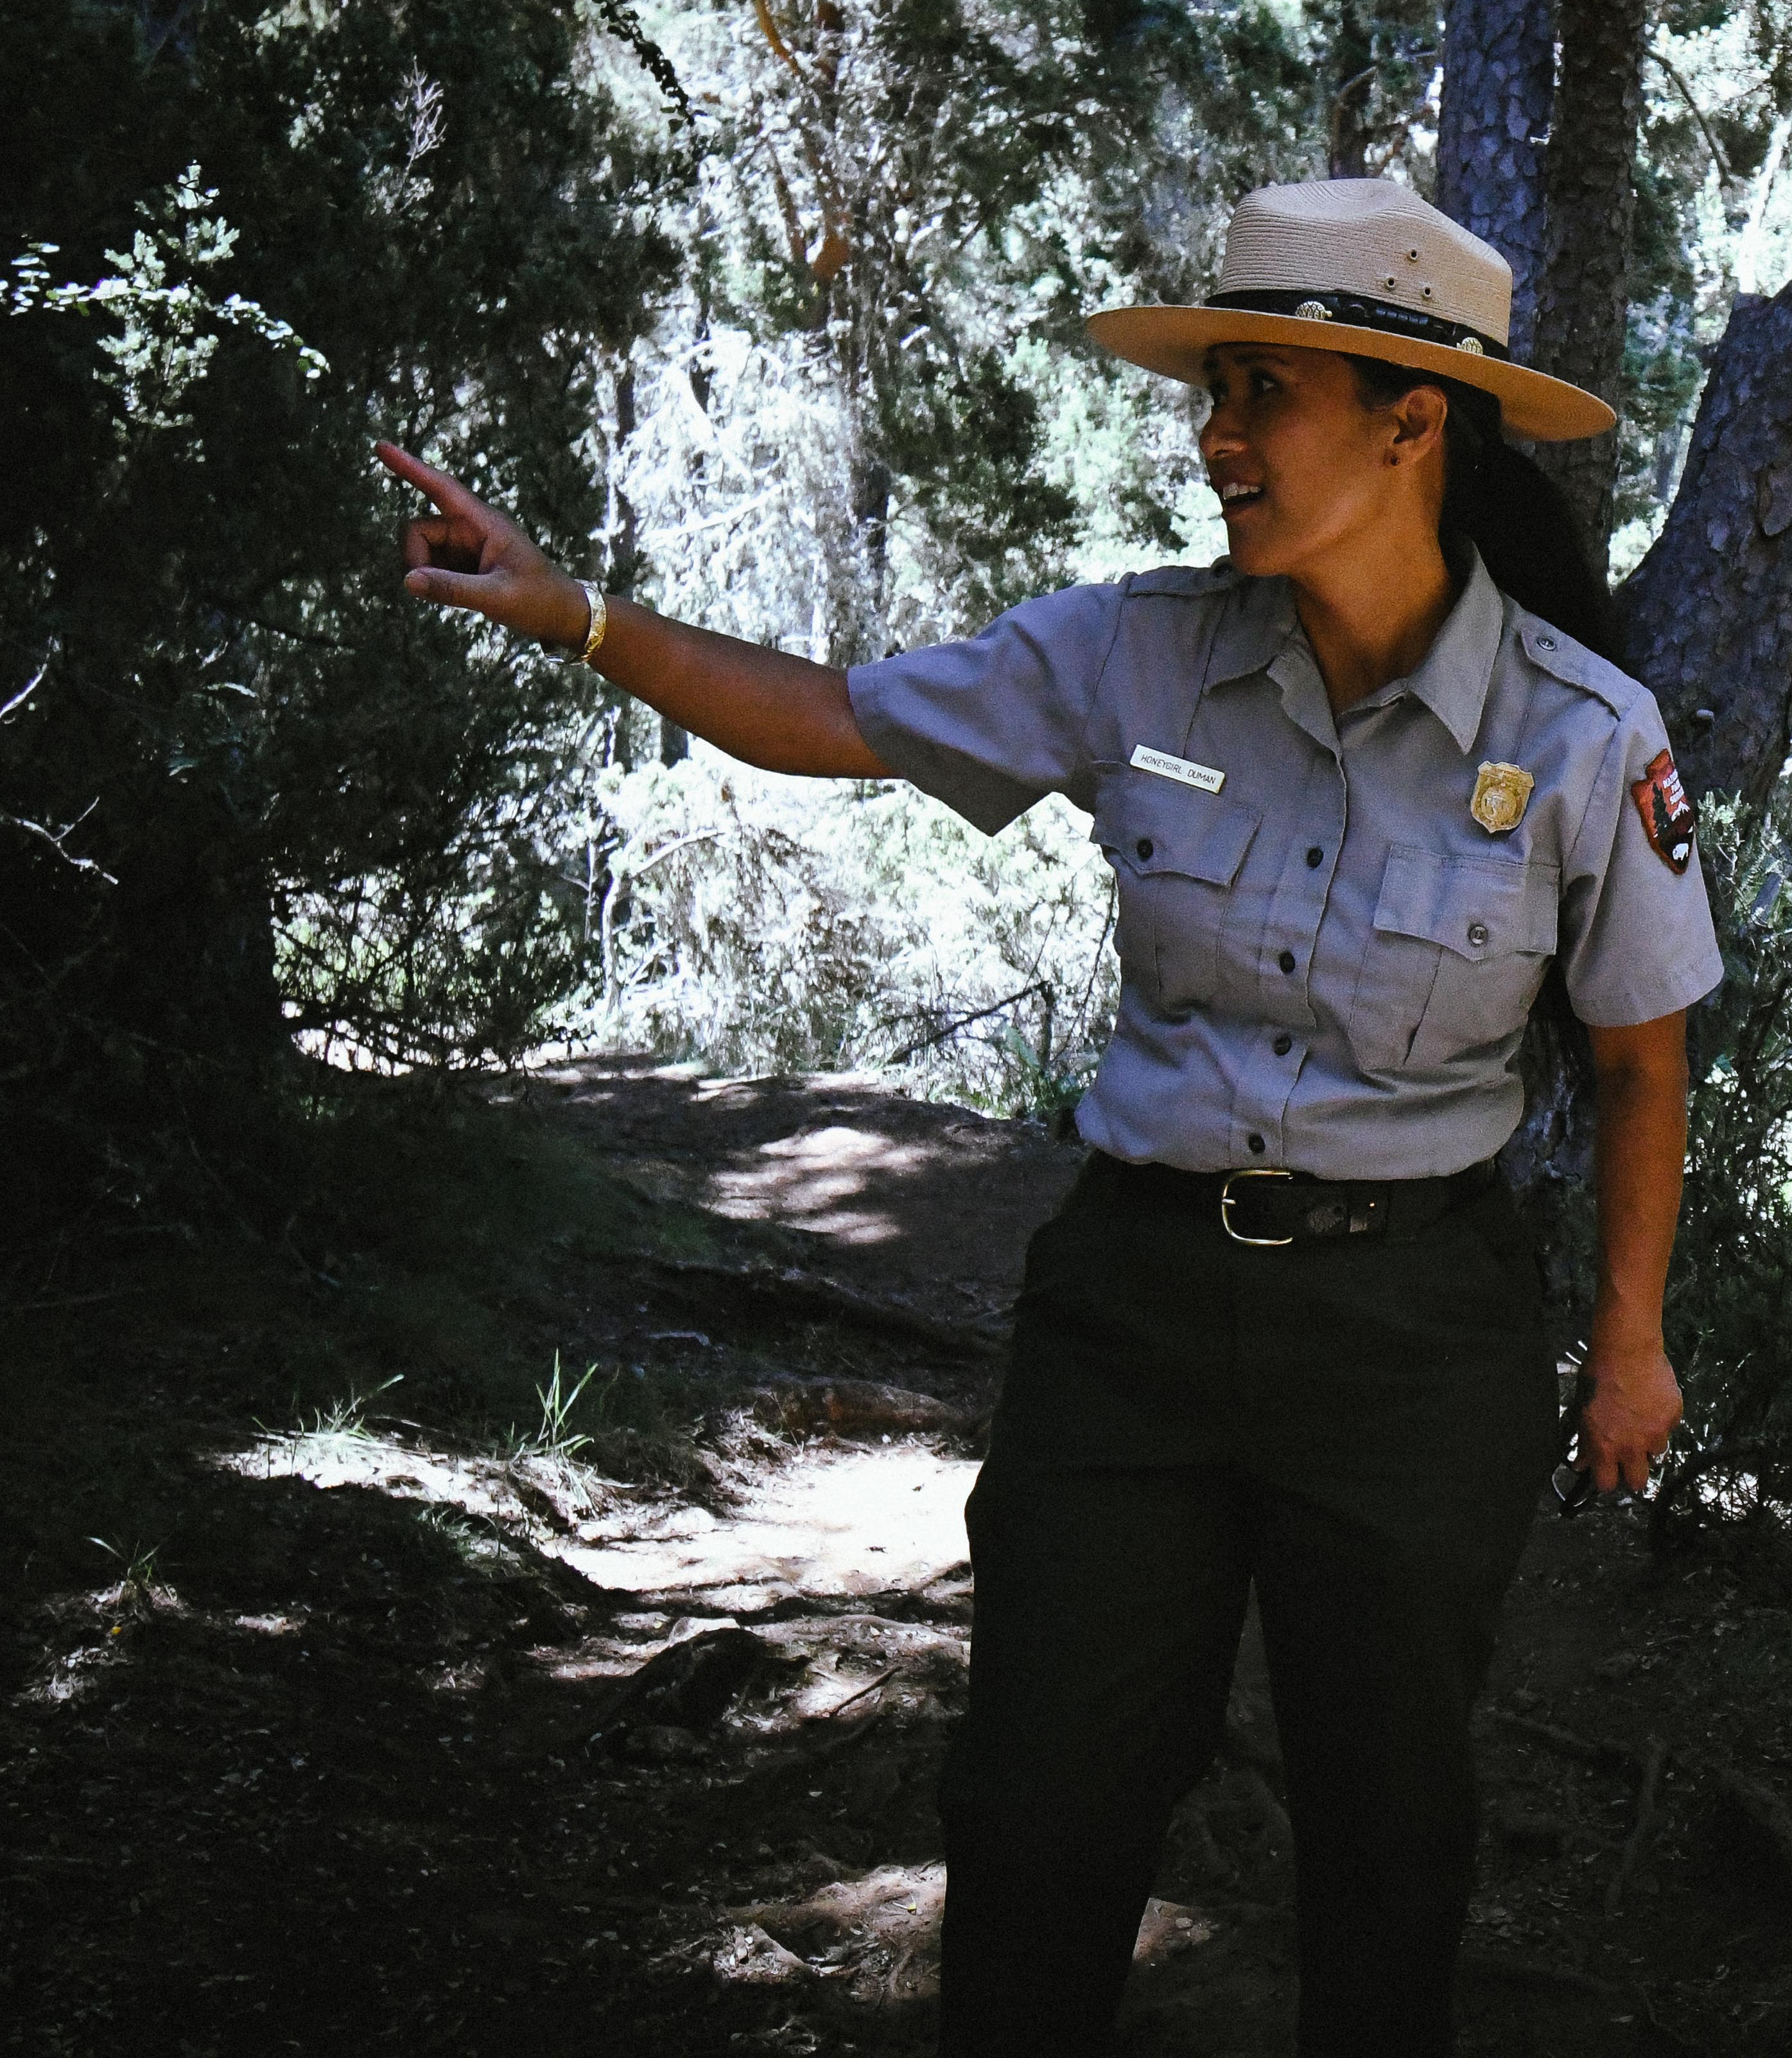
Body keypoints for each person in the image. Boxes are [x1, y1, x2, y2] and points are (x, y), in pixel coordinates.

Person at [380, 178, 1723, 2057]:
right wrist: (580, 614)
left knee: (1387, 1828)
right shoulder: (1135, 651)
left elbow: (1646, 1055)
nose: (1216, 433)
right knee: (1036, 1805)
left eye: (1262, 389)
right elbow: (842, 717)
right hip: (1139, 1316)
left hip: (1417, 1341)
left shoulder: (1586, 736)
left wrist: (1633, 1343)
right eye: (1215, 388)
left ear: (1414, 421)